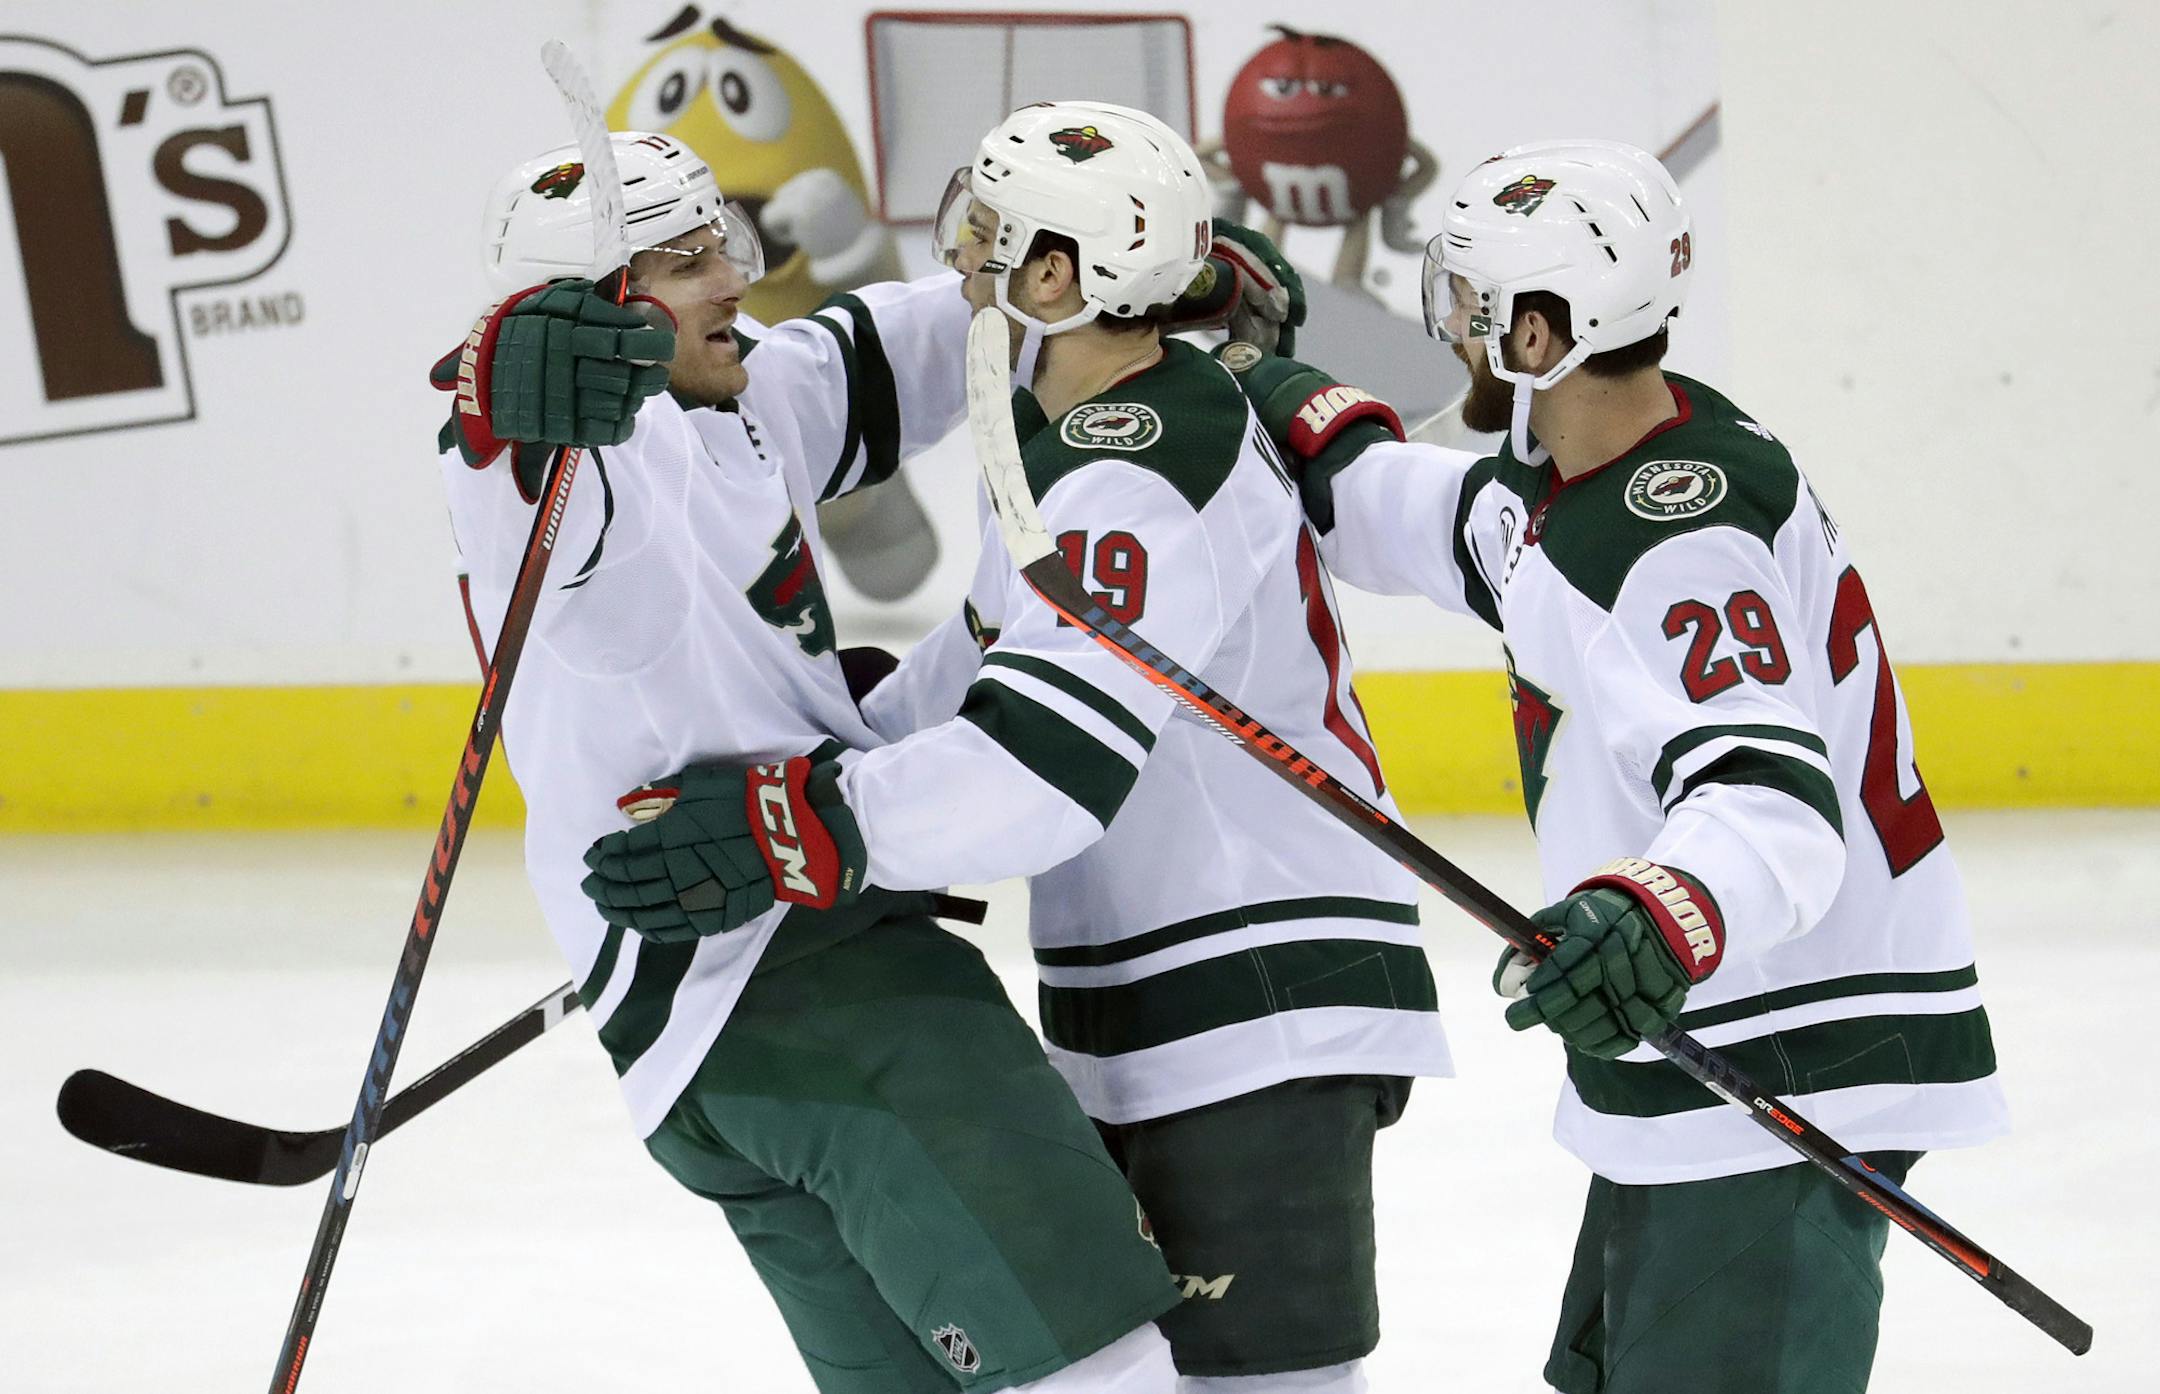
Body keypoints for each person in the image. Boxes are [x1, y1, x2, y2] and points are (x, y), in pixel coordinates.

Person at [580, 103, 1454, 1394]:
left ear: (1055, 276)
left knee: (1257, 1384)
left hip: (1255, 982)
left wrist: (807, 816)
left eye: (984, 229)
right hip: (1159, 981)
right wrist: (858, 737)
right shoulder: (1069, 435)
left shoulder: (1136, 461)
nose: (959, 251)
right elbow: (1001, 647)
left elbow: (1040, 772)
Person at [1229, 140, 2008, 1392]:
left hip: (1787, 1041)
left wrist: (1661, 912)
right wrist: (1267, 390)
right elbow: (1430, 520)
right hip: (1735, 1029)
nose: (1456, 334)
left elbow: (1771, 799)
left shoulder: (1677, 535)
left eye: (1473, 308)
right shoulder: (1599, 462)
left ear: (1541, 333)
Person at [437, 129, 1182, 1393]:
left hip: (700, 1051)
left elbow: (917, 341)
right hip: (819, 992)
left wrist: (1137, 272)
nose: (734, 275)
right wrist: (505, 384)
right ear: (589, 314)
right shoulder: (589, 465)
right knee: (1098, 1368)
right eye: (683, 261)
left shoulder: (739, 395)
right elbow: (517, 478)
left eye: (720, 239)